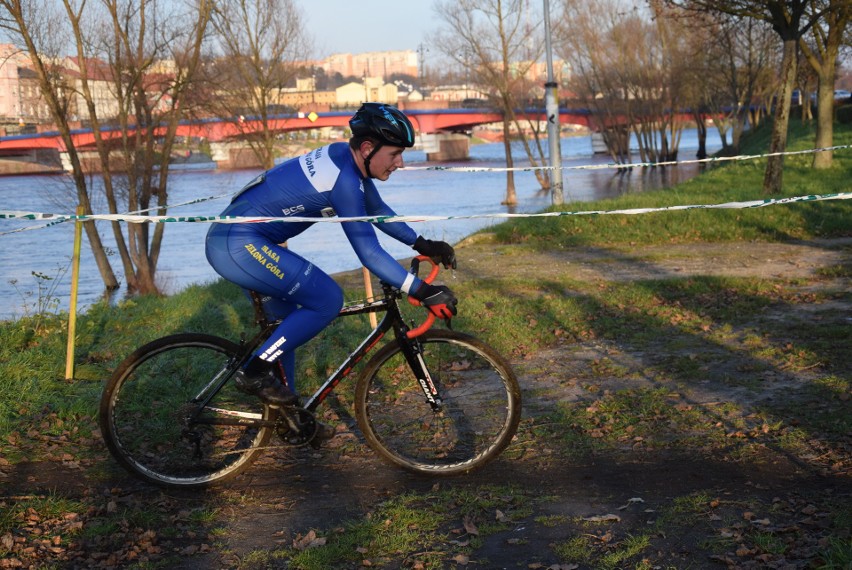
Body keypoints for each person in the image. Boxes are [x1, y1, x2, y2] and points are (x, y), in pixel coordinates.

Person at [205, 103, 458, 443]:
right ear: (368, 149)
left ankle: (291, 423)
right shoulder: (344, 178)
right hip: (240, 245)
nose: (401, 163)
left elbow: (376, 211)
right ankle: (253, 371)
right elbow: (368, 252)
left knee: (284, 329)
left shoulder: (346, 158)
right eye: (395, 154)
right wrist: (422, 291)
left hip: (248, 239)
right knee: (326, 299)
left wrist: (421, 243)